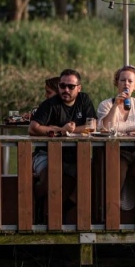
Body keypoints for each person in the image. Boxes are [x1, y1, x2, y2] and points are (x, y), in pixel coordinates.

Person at [96, 65, 135, 220]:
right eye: (122, 80)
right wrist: (115, 106)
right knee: (117, 169)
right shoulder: (106, 104)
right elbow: (104, 128)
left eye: (130, 81)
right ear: (116, 83)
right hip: (115, 150)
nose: (126, 84)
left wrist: (129, 133)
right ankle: (109, 215)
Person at [28, 69, 98, 204]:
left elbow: (92, 126)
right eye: (62, 86)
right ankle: (33, 203)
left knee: (94, 174)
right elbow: (33, 128)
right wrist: (61, 131)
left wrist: (69, 130)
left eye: (71, 87)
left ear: (79, 88)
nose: (66, 89)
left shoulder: (84, 99)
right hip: (46, 153)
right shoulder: (50, 104)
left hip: (75, 156)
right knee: (50, 180)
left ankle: (67, 209)